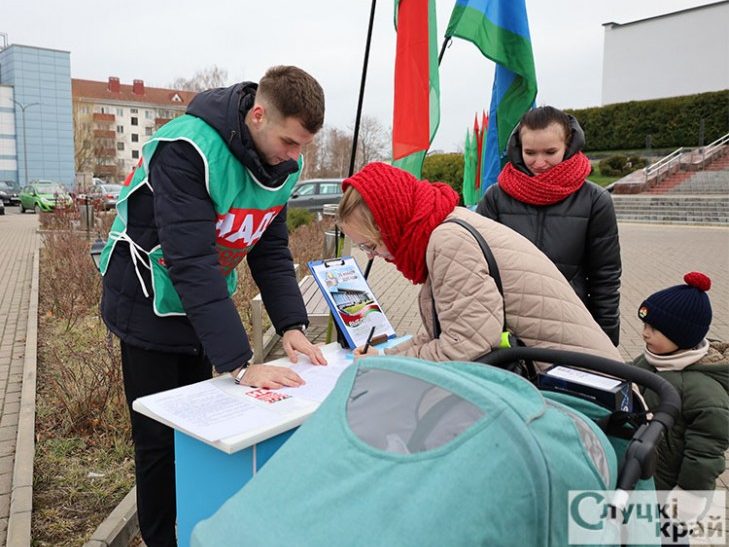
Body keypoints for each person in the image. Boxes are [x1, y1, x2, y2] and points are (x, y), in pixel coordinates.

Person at [100, 65, 327, 546]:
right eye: (289, 142)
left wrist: (291, 324)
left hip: (202, 299)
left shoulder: (285, 162)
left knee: (202, 426)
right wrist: (241, 363)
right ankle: (161, 538)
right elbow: (191, 261)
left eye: (302, 146)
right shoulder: (187, 149)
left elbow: (269, 244)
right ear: (259, 115)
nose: (294, 156)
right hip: (148, 297)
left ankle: (200, 527)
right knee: (160, 438)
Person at [337, 162, 622, 364]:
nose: (371, 255)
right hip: (572, 373)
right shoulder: (442, 227)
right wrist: (384, 356)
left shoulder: (449, 242)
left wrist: (388, 366)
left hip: (585, 388)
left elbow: (464, 347)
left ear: (392, 223)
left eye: (370, 245)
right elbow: (440, 333)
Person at [476, 106, 621, 346]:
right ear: (518, 148)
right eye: (530, 152)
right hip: (509, 328)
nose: (539, 162)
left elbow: (605, 277)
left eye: (550, 152)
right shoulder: (496, 197)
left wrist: (606, 340)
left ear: (569, 145)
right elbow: (478, 266)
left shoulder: (595, 200)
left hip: (569, 326)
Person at [632, 272, 728, 526]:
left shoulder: (704, 392)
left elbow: (706, 454)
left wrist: (689, 497)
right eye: (644, 326)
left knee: (669, 538)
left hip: (669, 490)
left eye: (654, 329)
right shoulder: (648, 361)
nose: (644, 334)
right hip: (639, 473)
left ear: (681, 336)